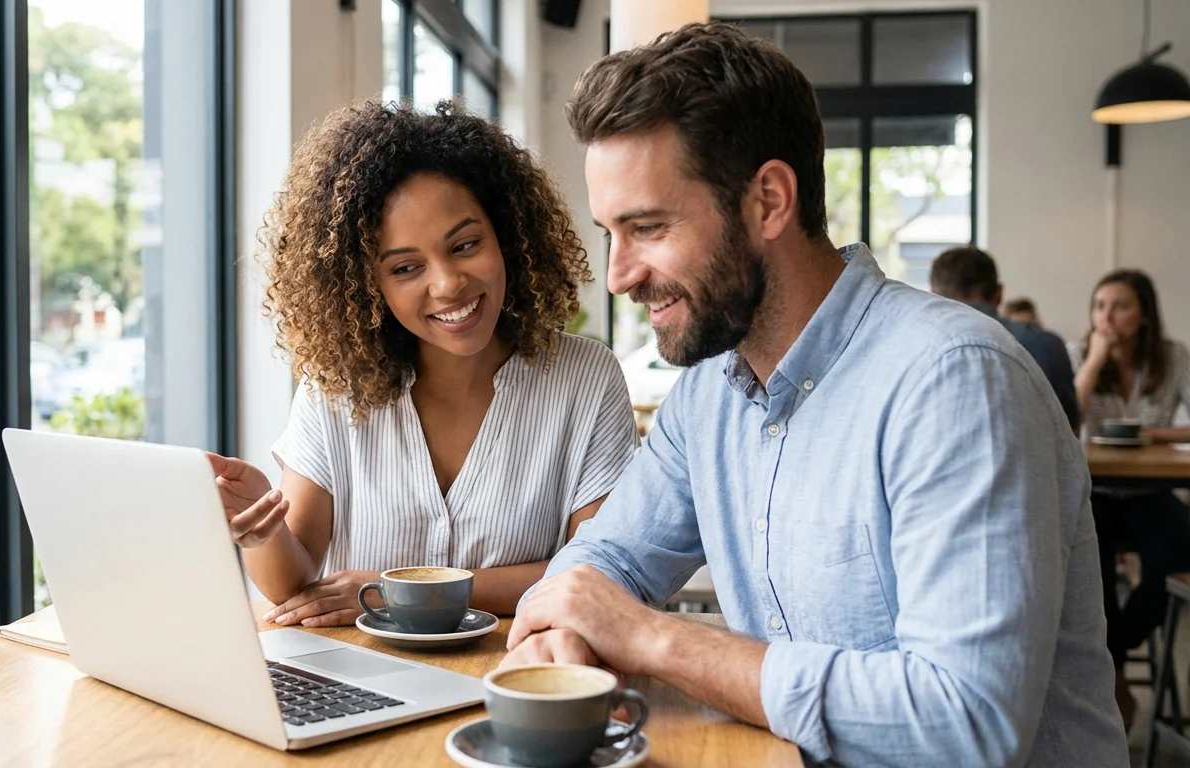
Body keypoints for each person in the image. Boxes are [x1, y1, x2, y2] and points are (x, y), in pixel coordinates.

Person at [500, 22, 1125, 766]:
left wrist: (650, 637)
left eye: (647, 227)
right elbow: (600, 565)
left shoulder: (954, 381)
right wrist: (570, 630)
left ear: (768, 200)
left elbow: (967, 725)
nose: (618, 274)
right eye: (611, 232)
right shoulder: (708, 393)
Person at [205, 101, 638, 629]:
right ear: (368, 284)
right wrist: (264, 529)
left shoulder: (587, 379)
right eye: (406, 267)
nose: (447, 284)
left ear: (506, 236)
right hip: (366, 684)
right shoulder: (336, 390)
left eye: (465, 244)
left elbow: (599, 576)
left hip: (512, 678)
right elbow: (295, 591)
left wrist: (398, 590)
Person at [1070, 269, 1190, 728]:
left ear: (1143, 315)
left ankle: (1115, 661)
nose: (1107, 317)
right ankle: (1115, 673)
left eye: (1120, 306)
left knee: (1175, 557)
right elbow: (1065, 416)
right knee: (1091, 578)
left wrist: (1156, 433)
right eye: (1100, 306)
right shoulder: (1077, 355)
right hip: (1094, 492)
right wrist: (1095, 360)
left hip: (1150, 491)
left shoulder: (1171, 357)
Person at [929, 246, 1080, 432]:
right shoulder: (1048, 345)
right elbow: (1069, 432)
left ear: (932, 295)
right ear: (999, 293)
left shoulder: (916, 348)